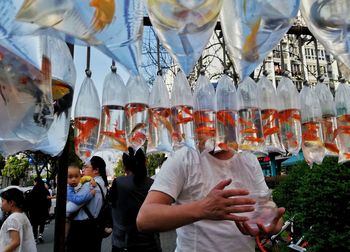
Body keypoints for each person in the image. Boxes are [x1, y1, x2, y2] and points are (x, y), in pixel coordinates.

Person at [137, 147, 285, 252]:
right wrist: (202, 209)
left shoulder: (249, 160)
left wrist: (266, 225)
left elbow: (275, 221)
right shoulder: (184, 157)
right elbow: (145, 218)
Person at [110, 147, 162, 252]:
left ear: (124, 166)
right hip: (150, 243)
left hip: (123, 244)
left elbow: (112, 206)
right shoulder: (154, 184)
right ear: (145, 162)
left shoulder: (119, 183)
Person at [66, 156, 108, 252]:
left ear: (96, 170)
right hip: (94, 229)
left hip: (81, 231)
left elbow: (68, 209)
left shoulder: (89, 185)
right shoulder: (103, 184)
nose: (83, 169)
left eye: (86, 167)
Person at [0, 188, 37, 252]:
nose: (1, 204)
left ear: (11, 203)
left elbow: (15, 242)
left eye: (3, 201)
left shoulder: (13, 219)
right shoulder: (22, 215)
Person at [65, 165, 96, 239]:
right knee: (66, 235)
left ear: (80, 176)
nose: (73, 179)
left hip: (73, 215)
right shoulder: (68, 188)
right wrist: (90, 194)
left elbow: (85, 178)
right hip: (66, 218)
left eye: (76, 176)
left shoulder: (80, 182)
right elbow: (77, 200)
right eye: (70, 177)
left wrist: (92, 179)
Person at [27, 177, 51, 244]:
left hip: (34, 211)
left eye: (34, 182)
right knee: (42, 223)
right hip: (43, 210)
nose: (34, 183)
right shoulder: (45, 190)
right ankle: (40, 235)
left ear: (36, 182)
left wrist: (29, 210)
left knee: (35, 225)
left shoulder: (33, 191)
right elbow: (49, 201)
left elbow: (29, 201)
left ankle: (35, 238)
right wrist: (48, 209)